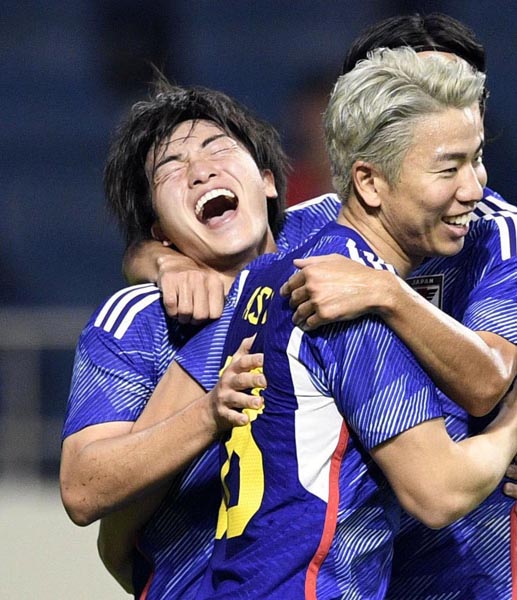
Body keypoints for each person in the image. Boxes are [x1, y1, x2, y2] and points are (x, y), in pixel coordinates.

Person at [98, 13, 517, 597]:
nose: (471, 185)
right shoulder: (342, 294)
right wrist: (160, 257)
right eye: (447, 164)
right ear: (370, 172)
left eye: (474, 154)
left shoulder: (289, 270)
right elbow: (439, 488)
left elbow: (488, 378)